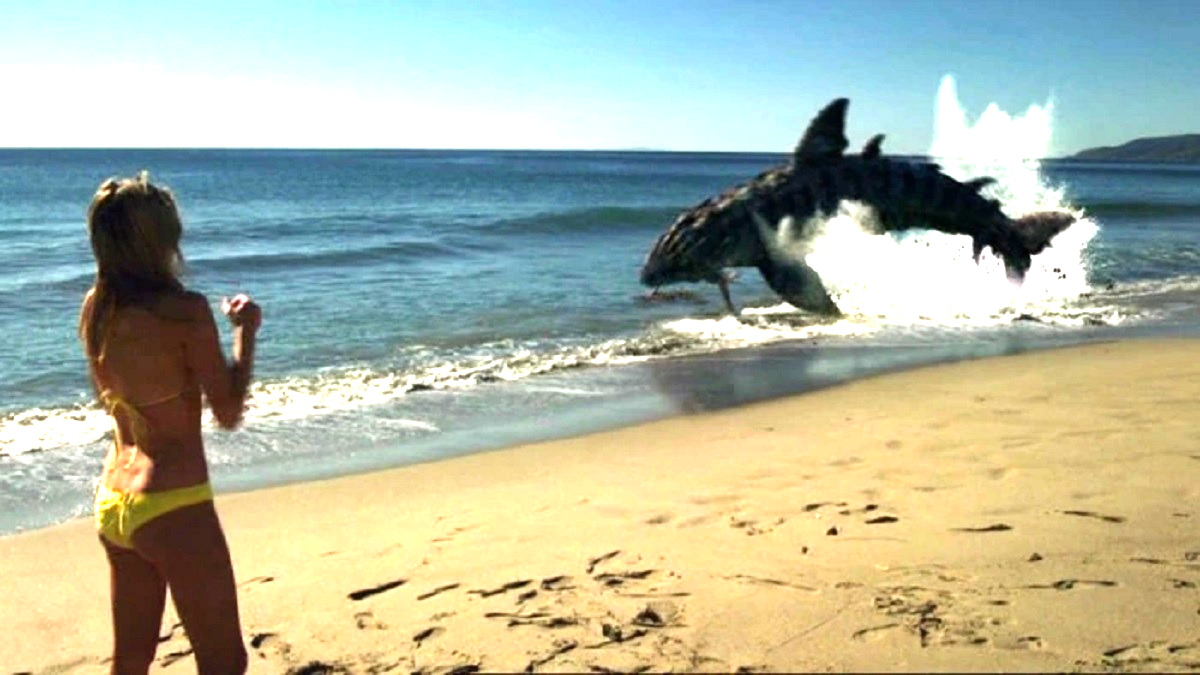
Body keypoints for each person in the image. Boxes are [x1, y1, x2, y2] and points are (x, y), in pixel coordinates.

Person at [78, 172, 260, 674]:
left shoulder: (95, 310)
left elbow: (110, 399)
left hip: (115, 499)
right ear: (161, 242)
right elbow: (227, 411)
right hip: (172, 502)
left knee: (131, 662)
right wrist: (245, 334)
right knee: (225, 662)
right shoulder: (184, 312)